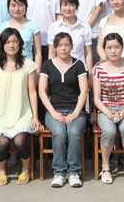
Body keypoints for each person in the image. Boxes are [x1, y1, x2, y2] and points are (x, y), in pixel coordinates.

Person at [0, 28, 42, 185]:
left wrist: (35, 116)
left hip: (22, 112)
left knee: (20, 141)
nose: (11, 45)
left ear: (20, 43)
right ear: (2, 45)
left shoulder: (29, 64)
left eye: (15, 41)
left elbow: (32, 91)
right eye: (7, 42)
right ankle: (1, 170)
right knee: (2, 142)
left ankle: (26, 168)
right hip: (1, 114)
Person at [39, 33, 88, 188]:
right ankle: (59, 172)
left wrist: (75, 113)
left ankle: (74, 172)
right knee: (59, 133)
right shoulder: (47, 65)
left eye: (67, 45)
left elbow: (84, 91)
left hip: (75, 110)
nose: (63, 48)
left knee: (73, 132)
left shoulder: (79, 65)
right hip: (54, 110)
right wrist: (53, 112)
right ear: (55, 47)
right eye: (60, 45)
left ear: (72, 46)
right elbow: (41, 91)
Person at [92, 33, 124, 186]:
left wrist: (123, 112)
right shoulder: (98, 69)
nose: (113, 51)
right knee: (109, 131)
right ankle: (105, 167)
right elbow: (96, 98)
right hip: (106, 110)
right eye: (109, 47)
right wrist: (107, 112)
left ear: (122, 48)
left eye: (117, 47)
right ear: (104, 49)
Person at [47, 0, 94, 72]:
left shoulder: (85, 27)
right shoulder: (54, 27)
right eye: (65, 5)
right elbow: (51, 53)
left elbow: (88, 53)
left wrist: (89, 74)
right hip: (59, 70)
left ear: (77, 6)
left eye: (71, 5)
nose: (68, 9)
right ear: (60, 6)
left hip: (80, 70)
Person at [0, 0, 42, 70]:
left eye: (21, 5)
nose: (17, 9)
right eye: (13, 5)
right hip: (6, 70)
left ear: (26, 7)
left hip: (27, 70)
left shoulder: (33, 26)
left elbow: (38, 53)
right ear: (8, 7)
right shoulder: (2, 27)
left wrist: (37, 73)